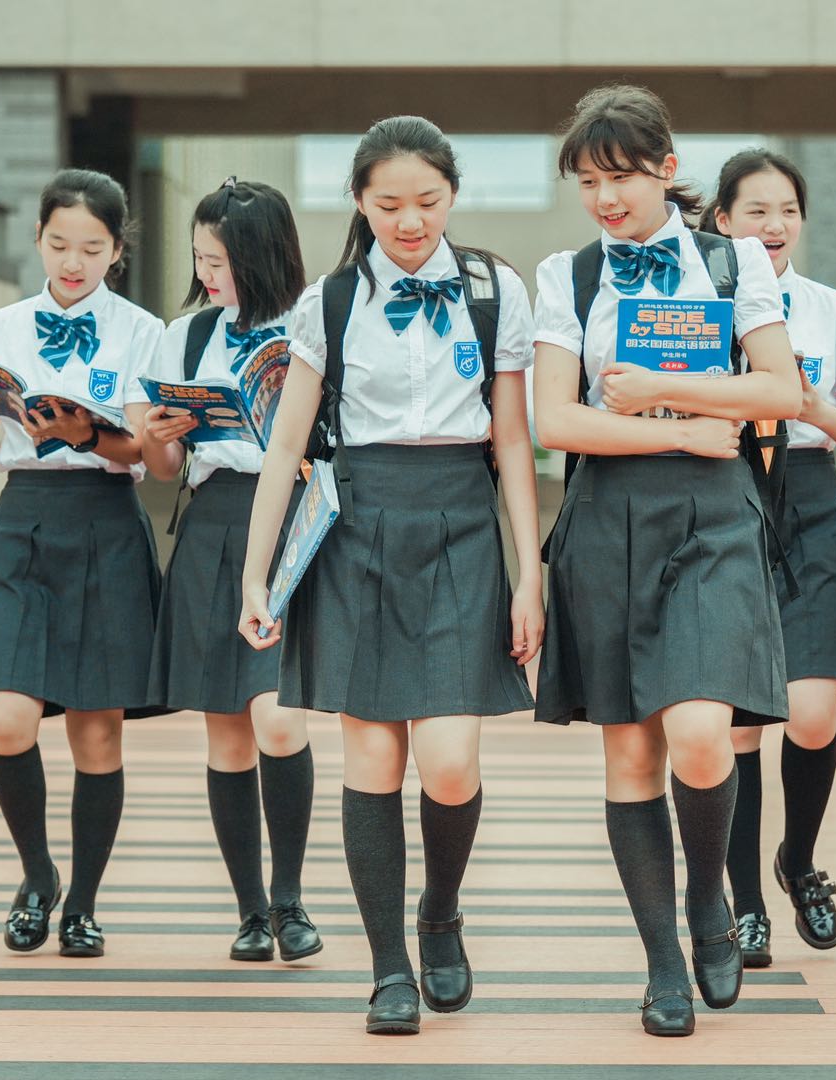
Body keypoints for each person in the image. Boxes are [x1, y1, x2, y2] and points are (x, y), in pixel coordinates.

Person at [237, 116, 543, 1036]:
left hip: (459, 521)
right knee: (372, 757)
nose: (409, 222)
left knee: (449, 763)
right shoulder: (328, 302)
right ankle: (388, 969)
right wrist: (257, 577)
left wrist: (530, 573)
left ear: (452, 195)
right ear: (360, 203)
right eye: (388, 205)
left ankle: (440, 912)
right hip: (357, 524)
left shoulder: (497, 289)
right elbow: (286, 442)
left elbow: (518, 441)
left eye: (427, 202)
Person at [532, 85, 802, 1036]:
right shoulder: (566, 276)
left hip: (715, 520)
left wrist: (666, 390)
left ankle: (706, 905)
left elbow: (784, 389)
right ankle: (661, 963)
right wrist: (683, 432)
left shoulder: (731, 265)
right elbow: (553, 419)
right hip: (607, 517)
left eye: (622, 178)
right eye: (589, 181)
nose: (606, 199)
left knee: (698, 731)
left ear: (667, 167)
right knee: (632, 748)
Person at [0, 168, 164, 959]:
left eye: (93, 248)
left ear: (117, 250)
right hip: (22, 520)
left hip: (105, 521)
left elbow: (145, 448)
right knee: (8, 718)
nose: (74, 262)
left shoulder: (143, 330)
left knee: (96, 734)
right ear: (38, 239)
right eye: (60, 244)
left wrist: (88, 435)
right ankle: (36, 875)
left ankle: (83, 902)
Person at [700, 148, 836, 967]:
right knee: (738, 723)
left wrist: (803, 400)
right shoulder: (694, 305)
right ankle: (745, 906)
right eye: (754, 212)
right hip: (724, 492)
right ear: (721, 221)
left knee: (810, 714)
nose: (773, 227)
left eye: (787, 212)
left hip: (809, 493)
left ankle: (797, 860)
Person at [135, 178, 320, 964]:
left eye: (221, 259)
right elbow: (165, 466)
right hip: (211, 523)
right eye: (200, 258)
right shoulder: (185, 334)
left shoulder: (315, 320)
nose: (208, 274)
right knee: (228, 732)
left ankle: (291, 899)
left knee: (279, 716)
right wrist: (155, 432)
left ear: (261, 254)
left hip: (291, 519)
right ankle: (250, 911)